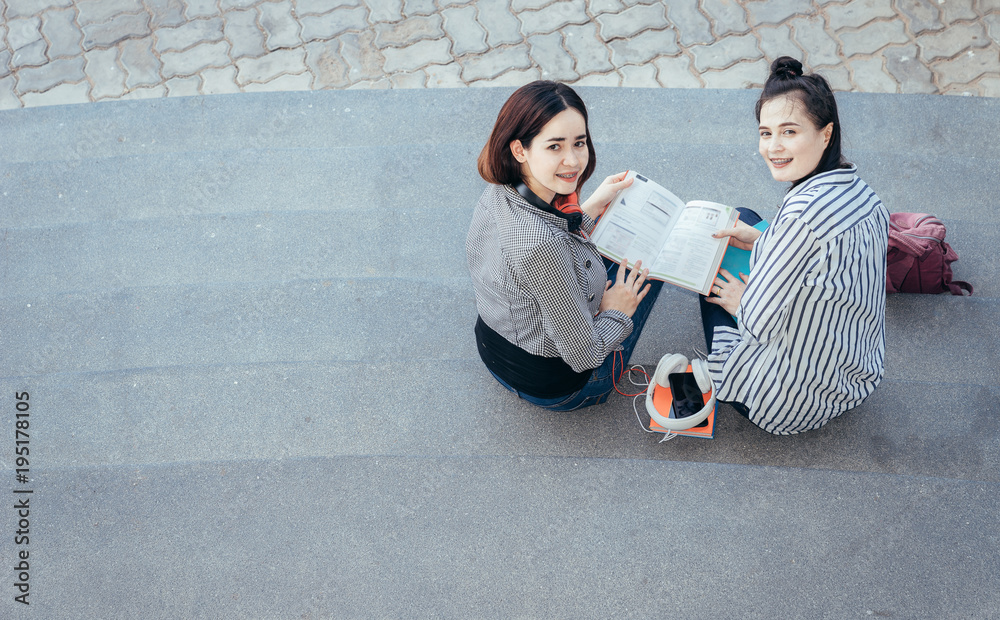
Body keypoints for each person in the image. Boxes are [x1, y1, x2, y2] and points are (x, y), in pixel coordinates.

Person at [702, 57, 889, 434]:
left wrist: (742, 300)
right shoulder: (864, 195)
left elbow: (758, 325)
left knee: (709, 273)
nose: (773, 147)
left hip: (787, 402)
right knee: (745, 220)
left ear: (825, 133)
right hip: (856, 376)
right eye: (766, 133)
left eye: (789, 132)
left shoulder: (801, 218)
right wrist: (761, 240)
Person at [467, 81, 663, 411]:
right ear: (520, 150)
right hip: (560, 386)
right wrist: (617, 309)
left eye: (579, 143)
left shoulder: (499, 193)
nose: (572, 160)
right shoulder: (543, 248)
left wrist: (589, 209)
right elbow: (584, 354)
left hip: (497, 348)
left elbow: (540, 248)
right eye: (555, 147)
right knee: (652, 261)